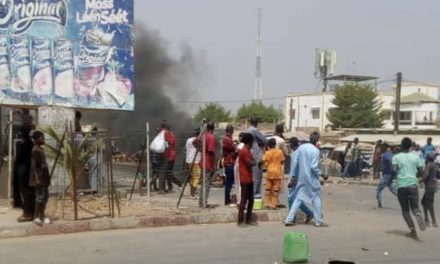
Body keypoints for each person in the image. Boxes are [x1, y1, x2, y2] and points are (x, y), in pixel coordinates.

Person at [284, 131, 328, 227]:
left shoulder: (301, 148)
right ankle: (318, 221)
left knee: (298, 198)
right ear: (317, 139)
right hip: (311, 179)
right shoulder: (315, 151)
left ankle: (289, 219)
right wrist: (322, 174)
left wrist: (294, 177)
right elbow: (313, 167)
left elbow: (295, 163)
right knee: (316, 199)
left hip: (301, 178)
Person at [392, 137, 426, 240]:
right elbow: (421, 173)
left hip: (402, 185)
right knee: (415, 207)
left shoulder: (396, 157)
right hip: (413, 185)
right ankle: (417, 213)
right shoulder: (416, 157)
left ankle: (413, 231)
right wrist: (416, 179)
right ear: (411, 146)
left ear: (401, 145)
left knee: (405, 210)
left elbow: (394, 171)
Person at [286, 137, 314, 224]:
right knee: (296, 199)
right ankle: (309, 213)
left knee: (291, 198)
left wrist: (292, 180)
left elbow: (295, 166)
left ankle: (292, 218)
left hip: (296, 179)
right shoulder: (301, 152)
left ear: (291, 144)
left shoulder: (296, 153)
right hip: (301, 178)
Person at [29, 131, 51, 226]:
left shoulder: (41, 149)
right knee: (40, 198)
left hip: (44, 177)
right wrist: (36, 178)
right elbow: (33, 166)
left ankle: (42, 215)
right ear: (37, 139)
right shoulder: (35, 150)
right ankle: (36, 217)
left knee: (45, 197)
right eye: (42, 138)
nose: (43, 140)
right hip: (39, 177)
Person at [15, 126, 34, 222]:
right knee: (29, 191)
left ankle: (27, 213)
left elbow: (18, 158)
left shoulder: (22, 143)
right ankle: (30, 211)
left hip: (23, 169)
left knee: (25, 191)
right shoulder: (30, 143)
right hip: (28, 169)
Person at [237, 133, 257, 226]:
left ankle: (248, 220)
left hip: (249, 178)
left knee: (251, 199)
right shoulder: (244, 150)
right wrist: (254, 162)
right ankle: (240, 220)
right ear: (250, 141)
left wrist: (253, 161)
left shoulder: (248, 150)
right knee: (244, 199)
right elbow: (250, 163)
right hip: (245, 178)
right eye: (252, 141)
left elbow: (253, 161)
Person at [196, 121, 216, 208]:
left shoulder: (204, 136)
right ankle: (204, 202)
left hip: (202, 161)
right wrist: (213, 165)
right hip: (208, 163)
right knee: (206, 184)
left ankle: (201, 202)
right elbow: (211, 151)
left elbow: (196, 142)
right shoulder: (211, 137)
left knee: (203, 183)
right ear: (213, 128)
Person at [246, 116, 267, 196]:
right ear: (256, 123)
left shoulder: (247, 130)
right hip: (256, 155)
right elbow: (264, 140)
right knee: (257, 176)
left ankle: (250, 194)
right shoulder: (254, 130)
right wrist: (262, 143)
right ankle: (255, 195)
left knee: (251, 176)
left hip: (250, 153)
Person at [261, 138, 285, 209]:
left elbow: (263, 161)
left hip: (269, 172)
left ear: (269, 145)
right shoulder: (280, 152)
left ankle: (266, 204)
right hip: (277, 173)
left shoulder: (267, 152)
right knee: (275, 190)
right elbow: (282, 161)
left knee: (268, 189)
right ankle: (273, 205)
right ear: (275, 144)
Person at [159, 122, 179, 193]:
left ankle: (162, 189)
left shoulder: (164, 132)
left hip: (166, 155)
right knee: (168, 172)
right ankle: (171, 186)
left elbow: (166, 143)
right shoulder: (171, 134)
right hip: (172, 155)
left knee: (162, 172)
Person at [376, 143, 397, 208]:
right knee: (393, 189)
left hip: (386, 175)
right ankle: (404, 199)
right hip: (390, 174)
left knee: (379, 189)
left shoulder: (384, 155)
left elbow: (386, 164)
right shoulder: (391, 154)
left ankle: (379, 204)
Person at [421, 152, 438, 227]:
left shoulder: (429, 165)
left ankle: (433, 221)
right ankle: (426, 219)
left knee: (429, 204)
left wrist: (419, 181)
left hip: (429, 187)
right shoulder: (435, 165)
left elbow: (426, 176)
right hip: (433, 187)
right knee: (424, 202)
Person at [222, 124, 237, 205]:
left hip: (228, 162)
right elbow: (235, 149)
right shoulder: (228, 139)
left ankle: (227, 199)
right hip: (230, 162)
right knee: (229, 182)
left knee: (229, 182)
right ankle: (227, 200)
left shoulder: (226, 139)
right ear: (231, 131)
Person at [185, 128, 201, 198]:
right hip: (196, 161)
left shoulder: (188, 140)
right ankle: (193, 194)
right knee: (196, 177)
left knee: (193, 177)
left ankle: (192, 193)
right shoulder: (199, 140)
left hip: (189, 160)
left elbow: (186, 149)